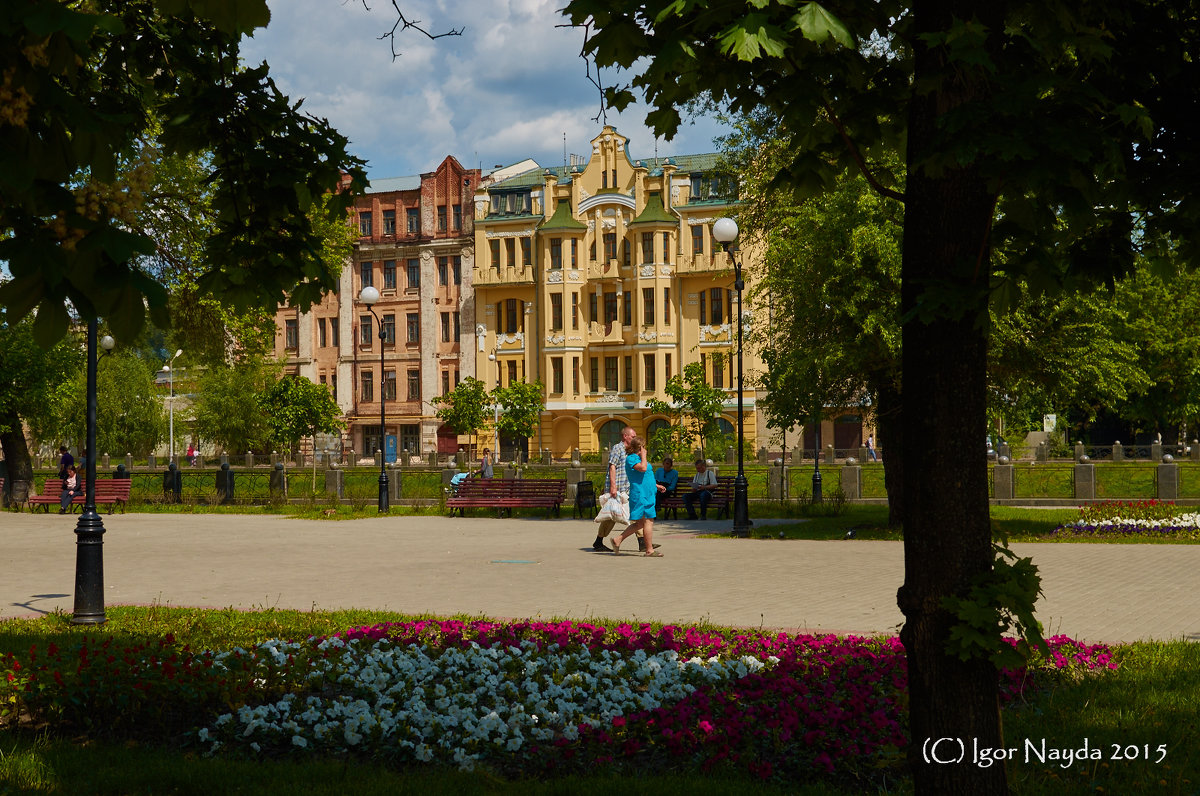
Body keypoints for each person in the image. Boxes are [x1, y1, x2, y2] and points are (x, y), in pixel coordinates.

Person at [592, 425, 648, 552]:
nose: (634, 439)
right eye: (633, 437)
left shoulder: (630, 451)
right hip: (617, 489)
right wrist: (613, 487)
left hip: (625, 489)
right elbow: (612, 467)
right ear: (625, 436)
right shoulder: (618, 448)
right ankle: (599, 541)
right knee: (612, 516)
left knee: (632, 514)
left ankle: (642, 542)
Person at [612, 436, 664, 557]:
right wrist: (644, 455)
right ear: (640, 447)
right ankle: (649, 550)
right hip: (642, 495)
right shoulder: (632, 458)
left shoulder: (639, 458)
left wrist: (656, 485)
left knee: (640, 524)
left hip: (648, 493)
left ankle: (617, 540)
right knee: (648, 521)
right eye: (644, 447)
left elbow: (644, 476)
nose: (645, 449)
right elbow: (643, 468)